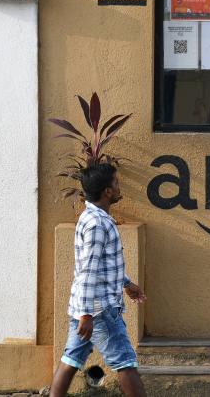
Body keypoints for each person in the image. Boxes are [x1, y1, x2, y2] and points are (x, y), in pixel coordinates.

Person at [50, 163, 147, 397]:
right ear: (107, 191)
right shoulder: (97, 224)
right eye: (115, 183)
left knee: (71, 358)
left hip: (88, 308)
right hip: (99, 310)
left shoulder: (93, 217)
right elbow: (88, 271)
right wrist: (86, 314)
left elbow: (104, 265)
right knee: (125, 362)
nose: (118, 186)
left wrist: (127, 284)